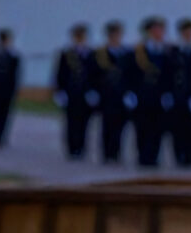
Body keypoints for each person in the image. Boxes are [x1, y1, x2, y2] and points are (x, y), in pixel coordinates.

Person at [130, 17, 174, 168]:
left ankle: (154, 157)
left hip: (160, 97)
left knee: (158, 129)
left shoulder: (167, 51)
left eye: (160, 30)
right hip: (143, 96)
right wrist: (130, 93)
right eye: (155, 30)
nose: (158, 33)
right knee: (142, 128)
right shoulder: (138, 51)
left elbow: (171, 74)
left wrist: (169, 93)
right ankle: (143, 157)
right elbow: (131, 74)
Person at [55, 23, 100, 159]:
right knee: (70, 123)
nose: (80, 38)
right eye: (77, 36)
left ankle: (81, 148)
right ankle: (72, 149)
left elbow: (95, 75)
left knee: (84, 124)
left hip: (86, 94)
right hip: (71, 94)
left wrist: (94, 91)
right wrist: (60, 91)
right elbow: (60, 74)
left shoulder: (92, 54)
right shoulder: (66, 54)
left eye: (82, 36)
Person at [98, 20, 134, 163]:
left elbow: (131, 75)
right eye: (113, 34)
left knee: (121, 127)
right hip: (107, 96)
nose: (115, 37)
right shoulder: (101, 53)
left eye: (118, 34)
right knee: (107, 125)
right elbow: (95, 75)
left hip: (122, 96)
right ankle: (107, 153)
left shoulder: (127, 53)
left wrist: (130, 93)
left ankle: (116, 152)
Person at [167, 17, 191, 167]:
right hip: (178, 95)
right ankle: (179, 154)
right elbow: (167, 73)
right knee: (178, 127)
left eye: (190, 31)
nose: (188, 34)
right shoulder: (173, 51)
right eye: (185, 31)